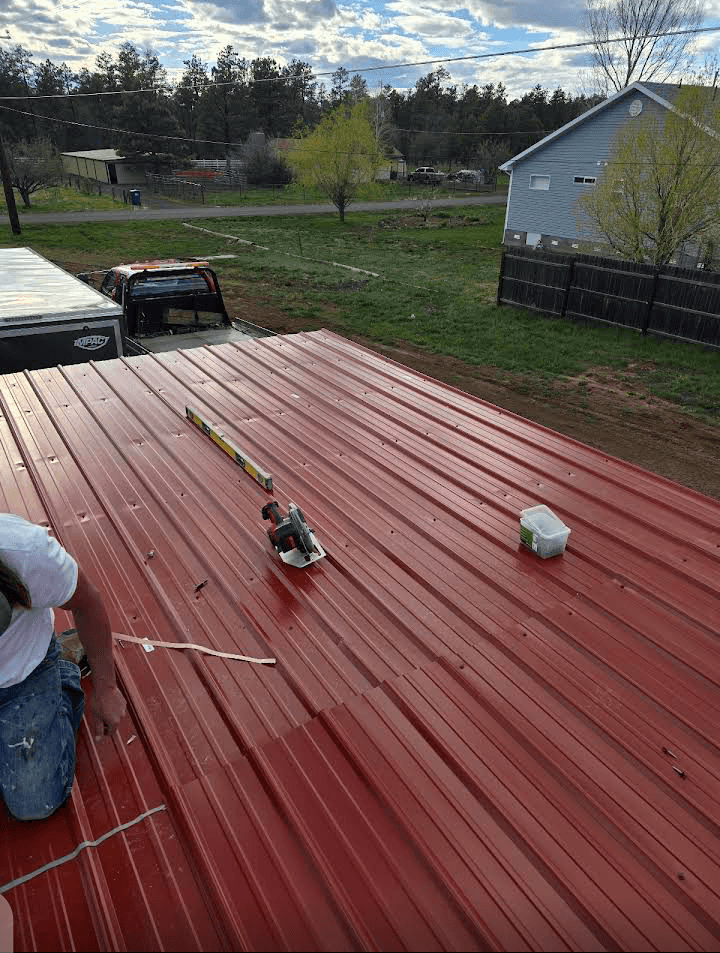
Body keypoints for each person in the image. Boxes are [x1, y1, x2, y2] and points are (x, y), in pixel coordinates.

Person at [0, 513, 126, 821]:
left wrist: (107, 687)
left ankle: (63, 676)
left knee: (34, 799)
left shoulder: (25, 551)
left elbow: (87, 602)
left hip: (23, 675)